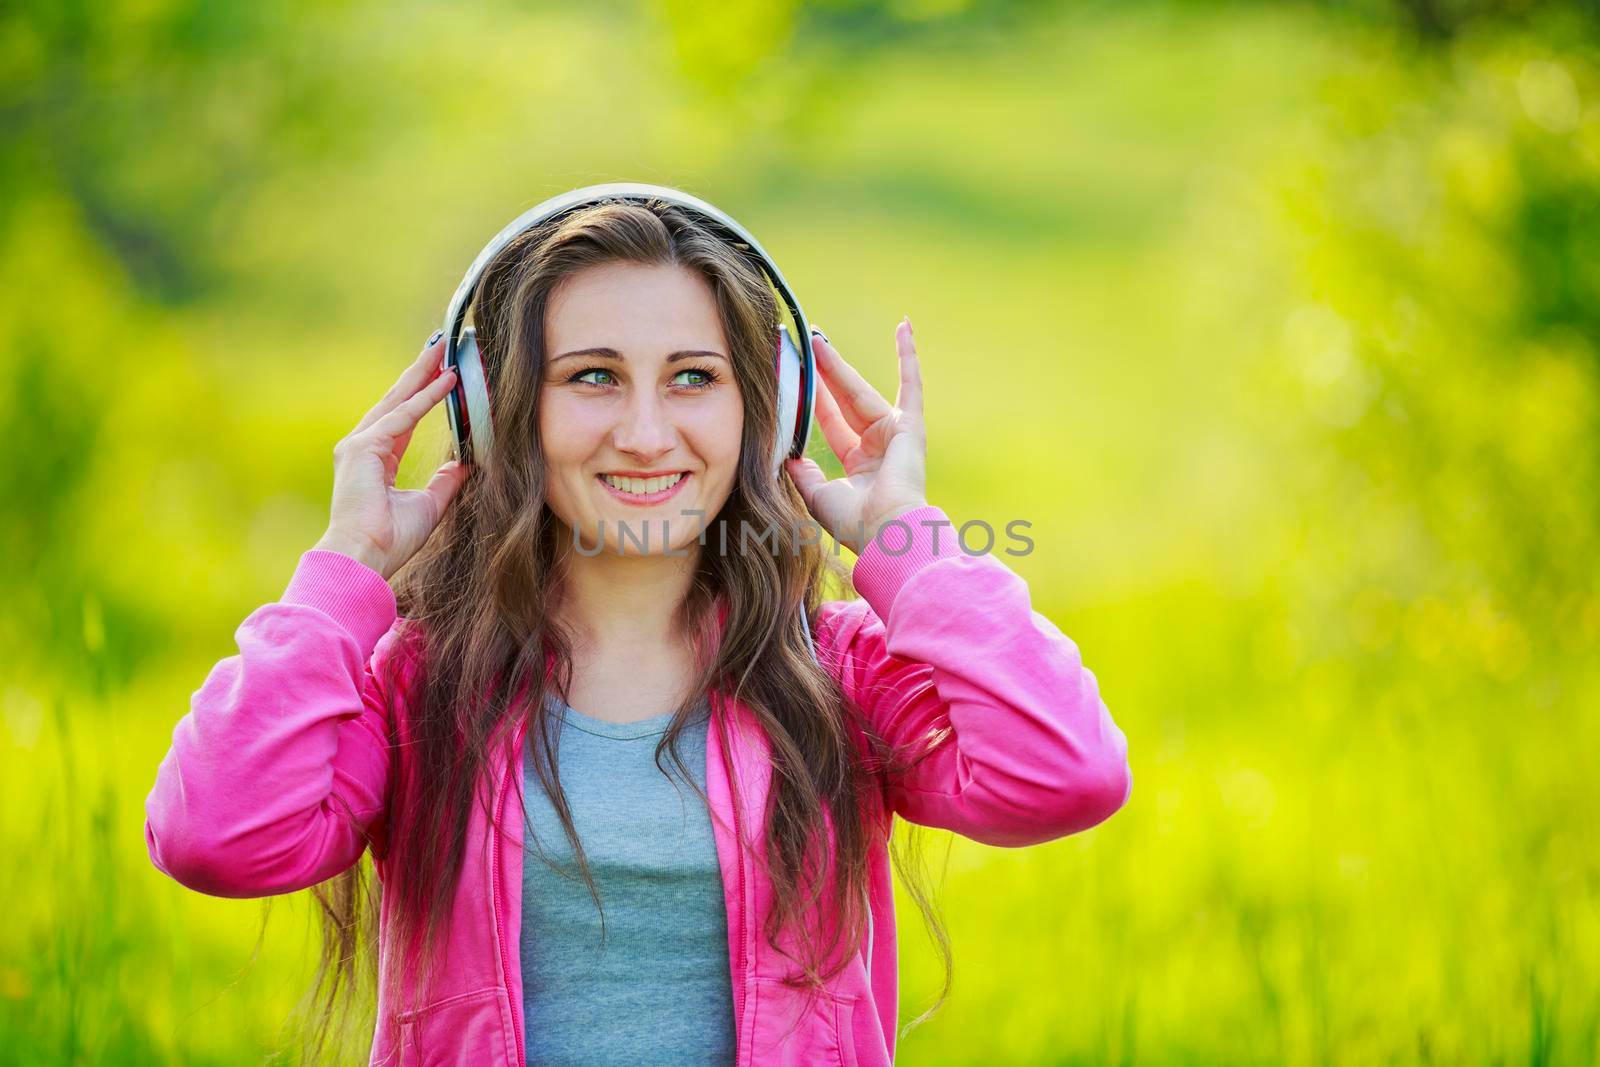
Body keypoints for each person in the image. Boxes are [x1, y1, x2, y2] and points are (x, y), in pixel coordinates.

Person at [143, 198, 1133, 1067]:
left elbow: (1065, 774)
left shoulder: (835, 673)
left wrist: (908, 544)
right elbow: (214, 837)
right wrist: (346, 566)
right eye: (593, 377)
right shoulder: (414, 685)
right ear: (496, 414)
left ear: (769, 410)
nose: (649, 433)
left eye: (694, 377)